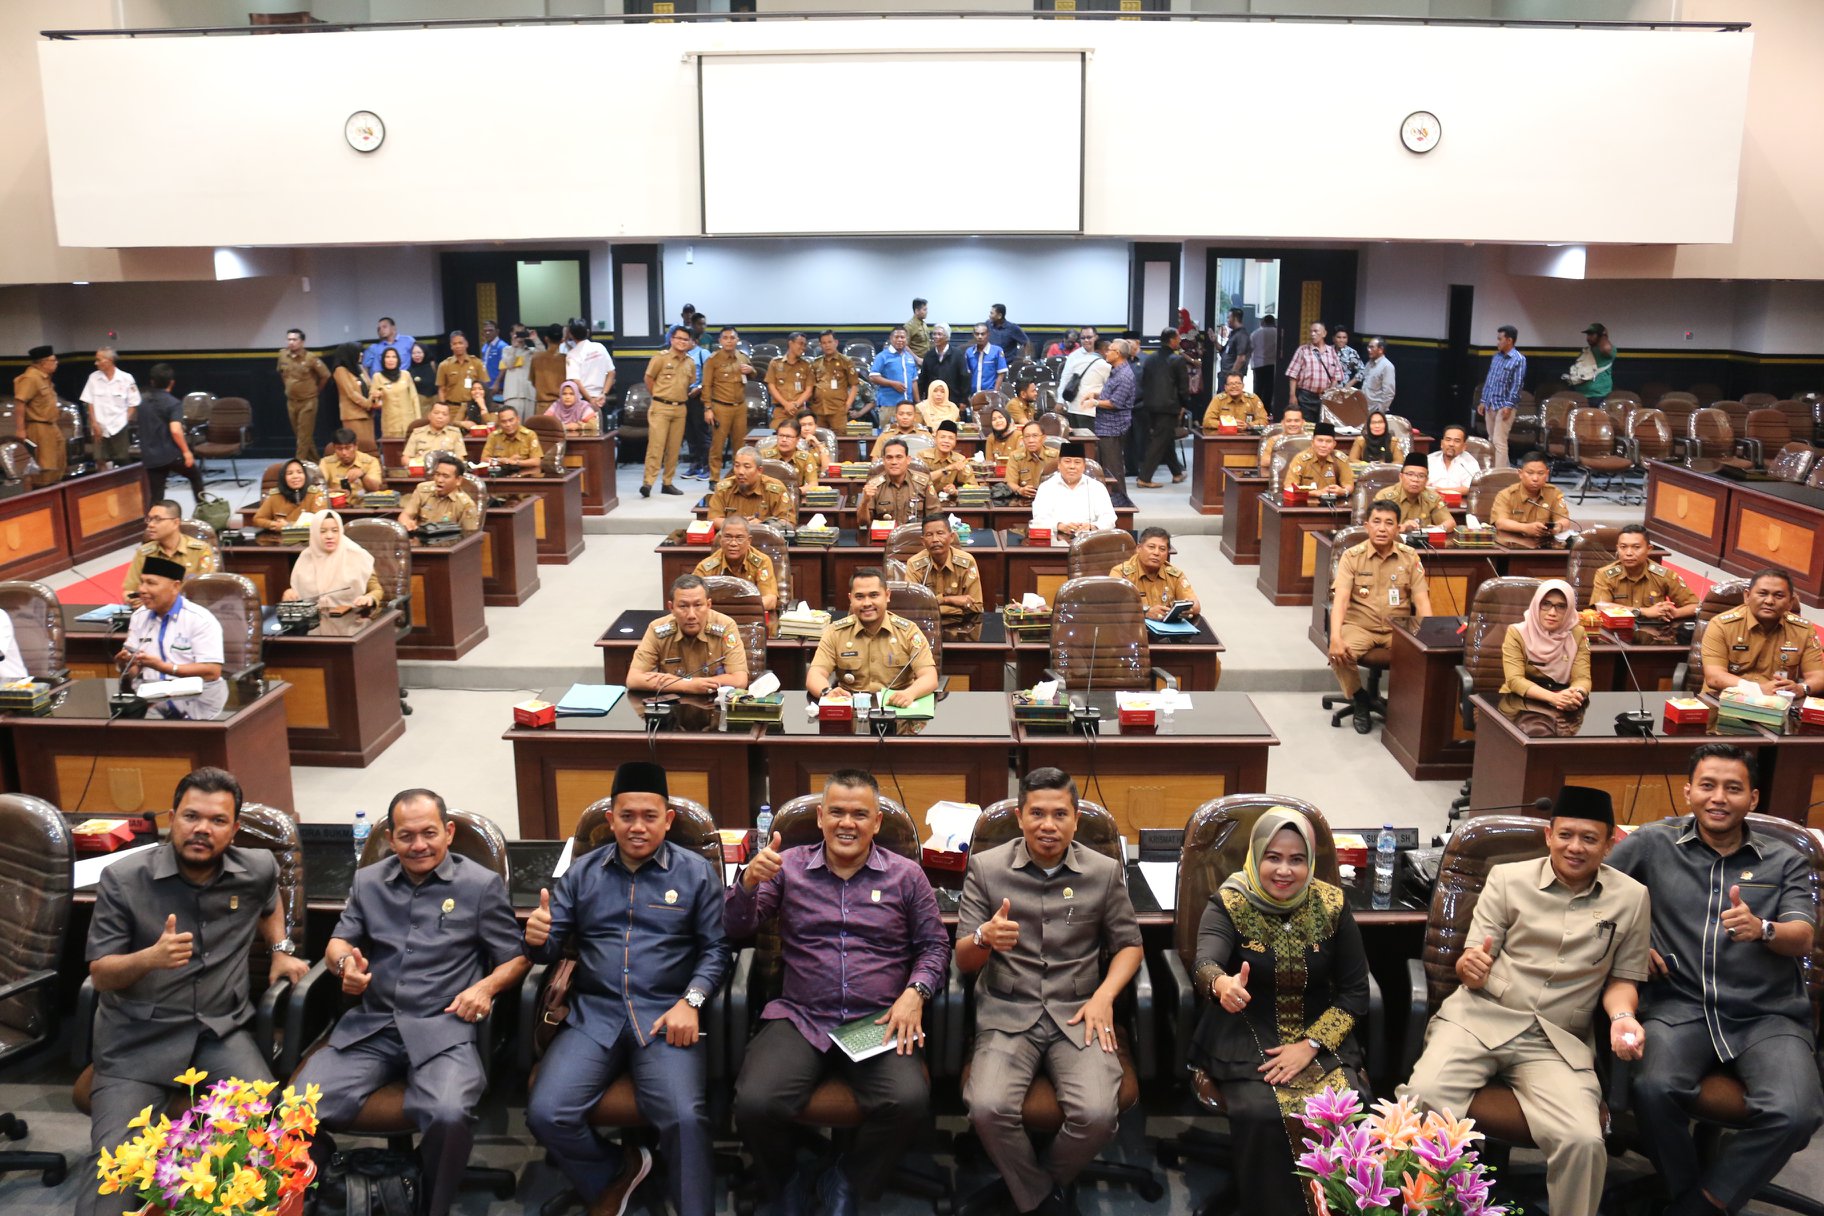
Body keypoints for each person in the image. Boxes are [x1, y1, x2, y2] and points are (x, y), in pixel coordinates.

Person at [1403, 785, 1650, 1216]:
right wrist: (1470, 968)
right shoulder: (1507, 879)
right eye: (1566, 835)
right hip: (1480, 1017)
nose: (1576, 847)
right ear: (1548, 836)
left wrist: (1623, 1017)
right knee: (1421, 1099)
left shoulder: (1631, 898)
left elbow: (1624, 978)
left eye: (1590, 838)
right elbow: (1471, 960)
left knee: (1583, 1141)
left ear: (1609, 844)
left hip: (1557, 1039)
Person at [77, 767, 305, 1216]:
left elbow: (270, 899)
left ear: (234, 830)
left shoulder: (257, 867)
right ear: (171, 818)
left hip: (220, 1032)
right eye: (191, 816)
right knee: (116, 1176)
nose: (202, 828)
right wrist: (151, 957)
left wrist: (279, 947)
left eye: (218, 821)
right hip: (138, 1041)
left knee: (264, 1147)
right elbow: (100, 974)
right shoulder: (124, 879)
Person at [1608, 744, 1824, 1216]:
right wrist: (1632, 941)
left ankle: (1701, 1205)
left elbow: (1802, 937)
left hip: (1766, 1014)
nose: (1718, 797)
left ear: (1754, 797)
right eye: (1707, 785)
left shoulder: (1786, 860)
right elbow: (1593, 893)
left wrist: (1762, 929)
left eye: (1733, 788)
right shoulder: (1652, 843)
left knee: (1798, 1113)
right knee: (1652, 1088)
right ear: (1689, 792)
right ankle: (1690, 1194)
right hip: (1678, 1004)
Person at [728, 768, 948, 1216]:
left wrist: (915, 993)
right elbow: (736, 928)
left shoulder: (906, 876)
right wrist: (748, 883)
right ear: (821, 818)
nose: (847, 823)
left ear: (877, 824)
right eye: (837, 813)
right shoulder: (786, 867)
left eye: (860, 814)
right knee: (754, 1103)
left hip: (877, 1017)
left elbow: (934, 946)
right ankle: (786, 1179)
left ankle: (846, 1178)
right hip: (802, 1015)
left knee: (907, 1101)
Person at [299, 788, 528, 1216]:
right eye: (406, 835)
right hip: (375, 1025)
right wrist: (345, 964)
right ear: (389, 836)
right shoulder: (369, 881)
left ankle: (428, 1202)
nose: (418, 845)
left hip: (443, 1028)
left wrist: (485, 988)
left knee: (448, 1113)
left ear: (449, 832)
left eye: (429, 833)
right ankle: (343, 1184)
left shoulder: (480, 885)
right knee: (295, 1109)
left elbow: (514, 959)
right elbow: (339, 941)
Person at [525, 761, 730, 1216]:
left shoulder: (696, 873)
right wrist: (537, 938)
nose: (638, 827)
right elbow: (549, 949)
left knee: (684, 1118)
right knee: (545, 1113)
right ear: (610, 819)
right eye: (627, 816)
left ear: (668, 819)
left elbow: (717, 951)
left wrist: (691, 1001)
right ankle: (619, 1171)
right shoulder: (582, 873)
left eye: (649, 816)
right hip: (592, 1016)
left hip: (665, 1014)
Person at [957, 768, 1142, 1216]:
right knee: (986, 1107)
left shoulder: (1103, 872)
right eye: (1036, 813)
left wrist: (1105, 997)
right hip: (1007, 1011)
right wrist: (985, 938)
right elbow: (963, 961)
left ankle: (1032, 1189)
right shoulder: (986, 867)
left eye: (1060, 814)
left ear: (1076, 820)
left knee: (1097, 1115)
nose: (1048, 824)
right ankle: (1045, 1200)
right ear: (1020, 817)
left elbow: (1130, 947)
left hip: (1079, 1012)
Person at [1190, 807, 1371, 1216]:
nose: (1284, 870)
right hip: (1246, 1029)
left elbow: (1356, 991)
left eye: (1297, 859)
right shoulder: (1230, 902)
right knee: (1261, 1113)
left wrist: (1310, 1045)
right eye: (1273, 857)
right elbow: (1205, 962)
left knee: (1346, 1107)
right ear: (1256, 858)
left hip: (1318, 1031)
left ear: (1311, 861)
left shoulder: (1331, 904)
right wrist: (1223, 985)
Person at [1327, 500, 1432, 730]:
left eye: (1388, 523)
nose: (1382, 528)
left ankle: (1407, 708)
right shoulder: (1352, 556)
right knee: (1340, 651)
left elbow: (1422, 600)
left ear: (1397, 528)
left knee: (1423, 655)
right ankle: (1360, 697)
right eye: (1376, 522)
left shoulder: (1410, 556)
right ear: (1367, 526)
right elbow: (1341, 600)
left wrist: (1428, 634)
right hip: (1360, 626)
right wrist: (1335, 636)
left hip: (1398, 628)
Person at [807, 568, 938, 705]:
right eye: (859, 597)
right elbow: (815, 674)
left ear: (887, 595)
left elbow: (929, 676)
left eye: (874, 595)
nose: (867, 603)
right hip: (852, 707)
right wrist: (827, 692)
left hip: (897, 708)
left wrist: (910, 693)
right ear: (850, 599)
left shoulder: (908, 631)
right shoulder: (836, 632)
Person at [1699, 566, 1824, 696]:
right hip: (1724, 700)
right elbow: (1714, 676)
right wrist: (1757, 690)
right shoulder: (1721, 625)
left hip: (1777, 705)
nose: (1769, 601)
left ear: (1790, 602)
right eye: (1762, 594)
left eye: (1779, 595)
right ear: (1747, 596)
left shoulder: (1803, 630)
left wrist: (1802, 688)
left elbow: (1819, 677)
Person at [627, 574, 749, 695]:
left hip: (713, 705)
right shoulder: (657, 628)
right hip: (673, 706)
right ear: (671, 607)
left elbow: (739, 680)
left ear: (708, 605)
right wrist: (687, 685)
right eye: (683, 606)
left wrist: (678, 682)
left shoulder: (725, 626)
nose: (691, 615)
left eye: (697, 605)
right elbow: (633, 679)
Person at [117, 555, 224, 690]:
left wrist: (163, 667)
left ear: (175, 586)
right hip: (149, 695)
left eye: (151, 583)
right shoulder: (139, 616)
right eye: (141, 582)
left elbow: (212, 672)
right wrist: (125, 665)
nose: (142, 590)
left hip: (194, 697)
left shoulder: (200, 619)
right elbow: (134, 670)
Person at [1502, 579, 1592, 712]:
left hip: (1563, 701)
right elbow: (1515, 680)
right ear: (1536, 605)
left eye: (1561, 606)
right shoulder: (1517, 632)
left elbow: (1582, 679)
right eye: (1546, 604)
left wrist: (1576, 694)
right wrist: (1553, 698)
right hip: (1519, 701)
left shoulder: (1577, 633)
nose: (1552, 613)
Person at [1592, 525, 1697, 621]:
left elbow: (1695, 606)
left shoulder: (1664, 575)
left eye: (1636, 547)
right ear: (1617, 548)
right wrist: (1643, 612)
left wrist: (1676, 613)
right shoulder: (1605, 574)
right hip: (1616, 630)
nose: (1628, 553)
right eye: (1623, 547)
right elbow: (1601, 607)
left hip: (1654, 634)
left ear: (1649, 549)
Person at [285, 510, 380, 612]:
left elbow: (377, 590)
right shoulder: (305, 557)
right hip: (313, 620)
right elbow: (297, 595)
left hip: (351, 620)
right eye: (322, 531)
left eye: (335, 530)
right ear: (314, 533)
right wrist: (290, 594)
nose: (329, 536)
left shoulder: (357, 555)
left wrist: (369, 597)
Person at [122, 500, 218, 600]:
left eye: (157, 519)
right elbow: (129, 591)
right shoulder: (144, 553)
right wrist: (134, 600)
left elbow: (207, 590)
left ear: (176, 523)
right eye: (149, 519)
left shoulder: (200, 550)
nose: (150, 524)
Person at [641, 326, 696, 498]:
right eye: (679, 338)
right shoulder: (660, 358)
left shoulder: (690, 362)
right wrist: (658, 396)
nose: (682, 342)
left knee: (674, 448)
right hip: (661, 407)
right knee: (656, 446)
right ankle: (648, 483)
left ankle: (667, 482)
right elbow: (648, 379)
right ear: (671, 339)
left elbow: (691, 382)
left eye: (685, 339)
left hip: (680, 408)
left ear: (690, 343)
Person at [1081, 338, 1136, 506]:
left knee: (1114, 468)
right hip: (1105, 426)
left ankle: (1121, 503)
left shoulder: (1125, 376)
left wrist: (1095, 403)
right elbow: (1109, 394)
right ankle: (1108, 501)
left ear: (1118, 353)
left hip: (1113, 427)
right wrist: (1096, 395)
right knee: (1106, 466)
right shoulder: (1116, 371)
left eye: (1110, 350)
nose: (1106, 352)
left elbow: (1116, 403)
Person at [1137, 328, 1192, 488]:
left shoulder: (1149, 359)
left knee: (1165, 439)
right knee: (1159, 441)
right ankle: (1144, 478)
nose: (1179, 341)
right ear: (1172, 340)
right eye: (1178, 338)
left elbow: (1143, 382)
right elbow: (1183, 387)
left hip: (1149, 405)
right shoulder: (1177, 360)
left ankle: (1177, 473)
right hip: (1168, 407)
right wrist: (1184, 405)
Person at [693, 514, 778, 612]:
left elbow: (770, 601)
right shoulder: (706, 567)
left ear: (749, 540)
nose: (733, 543)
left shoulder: (762, 562)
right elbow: (693, 598)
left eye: (739, 538)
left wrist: (738, 609)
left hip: (750, 617)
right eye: (728, 537)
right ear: (720, 539)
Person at [1110, 526, 1200, 618]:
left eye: (1162, 549)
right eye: (1151, 547)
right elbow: (1112, 606)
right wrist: (1145, 612)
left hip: (1167, 628)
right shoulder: (1120, 573)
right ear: (1139, 548)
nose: (1156, 553)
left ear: (1167, 553)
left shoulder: (1175, 575)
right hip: (1133, 628)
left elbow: (1196, 605)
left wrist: (1186, 609)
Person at [1030, 441, 1115, 539]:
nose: (1072, 466)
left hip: (1090, 540)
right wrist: (1060, 526)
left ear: (1084, 466)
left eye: (1077, 462)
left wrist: (1093, 526)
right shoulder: (1046, 487)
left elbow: (1109, 517)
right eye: (1067, 461)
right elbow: (1039, 518)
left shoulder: (1097, 487)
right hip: (1056, 541)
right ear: (1059, 465)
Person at [904, 516, 983, 620]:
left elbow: (976, 607)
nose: (935, 539)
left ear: (951, 537)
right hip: (925, 624)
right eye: (929, 535)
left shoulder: (967, 562)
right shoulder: (914, 564)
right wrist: (947, 600)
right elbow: (912, 607)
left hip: (960, 626)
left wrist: (931, 606)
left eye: (940, 533)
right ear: (923, 541)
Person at [81, 346, 139, 470]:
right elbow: (89, 402)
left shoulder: (126, 378)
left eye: (99, 360)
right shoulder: (93, 378)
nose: (95, 363)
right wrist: (94, 424)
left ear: (110, 360)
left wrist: (124, 420)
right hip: (99, 427)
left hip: (119, 427)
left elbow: (133, 404)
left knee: (123, 459)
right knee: (100, 459)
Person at [14, 344, 64, 488]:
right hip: (39, 427)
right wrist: (20, 429)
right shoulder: (31, 378)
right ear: (43, 363)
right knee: (44, 466)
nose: (56, 363)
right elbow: (20, 403)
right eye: (53, 360)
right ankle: (41, 496)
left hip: (51, 426)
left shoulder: (45, 378)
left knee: (57, 463)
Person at [1491, 451, 1572, 539]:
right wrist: (1525, 528)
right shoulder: (1506, 495)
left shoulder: (1554, 493)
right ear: (1520, 473)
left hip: (1544, 545)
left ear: (1547, 474)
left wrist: (1557, 527)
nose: (1535, 478)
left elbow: (1565, 520)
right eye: (1530, 473)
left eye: (1540, 473)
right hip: (1514, 545)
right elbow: (1500, 523)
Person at [277, 328, 330, 462]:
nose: (291, 342)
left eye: (295, 340)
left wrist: (316, 391)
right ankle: (316, 463)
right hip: (291, 401)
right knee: (302, 435)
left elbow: (325, 375)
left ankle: (298, 464)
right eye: (289, 339)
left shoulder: (310, 358)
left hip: (308, 402)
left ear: (302, 342)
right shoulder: (282, 355)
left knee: (303, 436)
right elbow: (282, 374)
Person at [1479, 324, 1528, 468]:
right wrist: (1483, 400)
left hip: (1504, 406)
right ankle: (1500, 468)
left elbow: (1517, 385)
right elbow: (1489, 381)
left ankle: (1498, 475)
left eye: (1500, 339)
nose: (1497, 342)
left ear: (1509, 340)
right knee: (1492, 439)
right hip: (1490, 404)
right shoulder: (1496, 357)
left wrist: (1509, 405)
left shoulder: (1519, 359)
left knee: (1500, 441)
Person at [708, 447, 795, 524]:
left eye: (747, 467)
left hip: (766, 540)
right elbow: (713, 519)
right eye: (737, 466)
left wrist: (763, 525)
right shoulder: (724, 489)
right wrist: (740, 525)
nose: (740, 472)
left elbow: (787, 523)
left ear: (759, 470)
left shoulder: (775, 489)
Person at [859, 437, 932, 527]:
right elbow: (863, 523)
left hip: (915, 537)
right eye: (889, 458)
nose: (894, 462)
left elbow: (935, 517)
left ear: (908, 459)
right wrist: (865, 502)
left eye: (899, 457)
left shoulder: (923, 483)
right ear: (883, 461)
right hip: (884, 537)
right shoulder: (874, 485)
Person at [399, 459, 481, 533]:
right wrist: (407, 523)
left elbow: (469, 537)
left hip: (448, 546)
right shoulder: (422, 490)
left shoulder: (466, 505)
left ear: (458, 480)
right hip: (421, 542)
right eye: (437, 474)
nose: (439, 480)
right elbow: (406, 515)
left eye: (445, 476)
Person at [1373, 453, 1451, 527]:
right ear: (1401, 477)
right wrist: (1402, 528)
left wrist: (1436, 529)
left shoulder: (1433, 498)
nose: (1415, 479)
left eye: (1421, 476)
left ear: (1426, 480)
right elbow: (1376, 525)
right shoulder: (1384, 497)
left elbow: (1450, 523)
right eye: (1410, 474)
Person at [252, 458, 327, 531]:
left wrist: (289, 525)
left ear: (305, 475)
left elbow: (320, 520)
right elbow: (258, 519)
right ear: (283, 477)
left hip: (308, 539)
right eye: (290, 473)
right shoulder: (275, 496)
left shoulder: (315, 494)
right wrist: (274, 524)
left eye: (299, 472)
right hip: (282, 540)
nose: (295, 476)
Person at [1284, 322, 1341, 415]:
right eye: (1311, 331)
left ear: (1324, 333)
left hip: (1325, 397)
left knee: (1322, 427)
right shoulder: (1303, 350)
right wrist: (1292, 395)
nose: (1312, 334)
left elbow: (1337, 376)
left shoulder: (1331, 352)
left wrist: (1329, 393)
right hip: (1305, 396)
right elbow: (1293, 374)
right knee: (1307, 426)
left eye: (1315, 331)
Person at [810, 330, 859, 441]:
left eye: (829, 342)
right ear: (820, 345)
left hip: (838, 410)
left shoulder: (846, 361)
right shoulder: (816, 363)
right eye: (824, 343)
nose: (827, 345)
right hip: (819, 409)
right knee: (820, 441)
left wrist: (847, 405)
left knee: (840, 441)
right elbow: (811, 386)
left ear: (836, 342)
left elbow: (854, 385)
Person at [1283, 421, 1353, 498]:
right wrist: (1316, 493)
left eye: (1328, 441)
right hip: (1304, 504)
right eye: (1320, 441)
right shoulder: (1300, 459)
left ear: (1334, 444)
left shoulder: (1340, 459)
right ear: (1312, 443)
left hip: (1331, 503)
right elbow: (1289, 488)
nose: (1324, 445)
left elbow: (1349, 485)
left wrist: (1343, 491)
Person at [367, 345, 422, 440]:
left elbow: (414, 398)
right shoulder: (377, 377)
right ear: (383, 360)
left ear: (398, 359)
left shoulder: (406, 375)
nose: (391, 360)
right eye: (387, 357)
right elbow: (372, 402)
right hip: (390, 424)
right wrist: (375, 397)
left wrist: (418, 420)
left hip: (409, 421)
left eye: (394, 357)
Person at [868, 326, 922, 423]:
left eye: (902, 337)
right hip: (889, 405)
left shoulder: (909, 357)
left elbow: (914, 381)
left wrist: (917, 403)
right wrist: (893, 384)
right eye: (897, 337)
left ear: (907, 339)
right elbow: (873, 377)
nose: (900, 340)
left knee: (907, 437)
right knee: (888, 436)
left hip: (907, 406)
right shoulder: (882, 356)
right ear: (891, 338)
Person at [330, 341, 375, 453]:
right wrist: (368, 403)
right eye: (358, 352)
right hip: (353, 416)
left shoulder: (359, 367)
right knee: (358, 448)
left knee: (370, 447)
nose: (361, 355)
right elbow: (351, 393)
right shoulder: (340, 370)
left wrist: (374, 396)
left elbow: (370, 384)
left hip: (368, 413)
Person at [765, 332, 814, 428]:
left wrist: (795, 405)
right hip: (780, 411)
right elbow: (771, 387)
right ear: (790, 343)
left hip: (800, 411)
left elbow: (809, 390)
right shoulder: (775, 363)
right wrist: (786, 404)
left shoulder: (806, 365)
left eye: (805, 345)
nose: (803, 347)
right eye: (800, 343)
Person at [401, 400, 469, 469]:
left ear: (449, 418)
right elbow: (405, 458)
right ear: (429, 415)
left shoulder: (455, 433)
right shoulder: (417, 433)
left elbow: (460, 458)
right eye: (436, 413)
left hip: (445, 473)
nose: (440, 417)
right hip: (422, 472)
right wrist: (415, 465)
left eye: (444, 414)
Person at [566, 322, 616, 409]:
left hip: (582, 400)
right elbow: (611, 373)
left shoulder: (572, 355)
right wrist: (604, 394)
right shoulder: (600, 347)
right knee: (602, 422)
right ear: (588, 332)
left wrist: (590, 400)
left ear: (571, 335)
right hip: (601, 400)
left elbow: (576, 381)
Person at [761, 418, 821, 489]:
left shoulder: (806, 458)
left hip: (795, 496)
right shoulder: (764, 456)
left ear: (798, 439)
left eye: (788, 437)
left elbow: (813, 485)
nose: (784, 440)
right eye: (781, 436)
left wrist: (794, 492)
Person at [320, 428, 383, 495]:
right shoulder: (326, 463)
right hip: (336, 503)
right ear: (334, 447)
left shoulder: (370, 461)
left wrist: (363, 476)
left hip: (363, 504)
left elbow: (375, 488)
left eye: (348, 448)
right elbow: (317, 488)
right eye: (339, 449)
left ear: (356, 446)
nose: (344, 453)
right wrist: (335, 491)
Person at [920, 323, 970, 407]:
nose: (936, 337)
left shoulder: (957, 354)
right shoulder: (929, 355)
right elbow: (923, 378)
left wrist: (963, 400)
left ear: (947, 337)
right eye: (934, 334)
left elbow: (964, 378)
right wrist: (920, 399)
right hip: (932, 402)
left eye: (939, 334)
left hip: (953, 401)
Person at [480, 405, 542, 472]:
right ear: (499, 423)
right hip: (500, 475)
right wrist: (503, 461)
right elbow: (484, 459)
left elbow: (536, 461)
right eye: (503, 421)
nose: (508, 424)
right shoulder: (494, 436)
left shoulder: (529, 435)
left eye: (511, 420)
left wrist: (516, 463)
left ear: (518, 419)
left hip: (525, 475)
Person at [1564, 322, 1615, 404]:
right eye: (1588, 335)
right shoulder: (1586, 351)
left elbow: (1606, 348)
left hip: (1598, 396)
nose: (1588, 338)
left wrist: (1604, 336)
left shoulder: (1608, 350)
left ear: (1600, 336)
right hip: (1580, 395)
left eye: (1592, 335)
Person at [1057, 327, 1101, 421]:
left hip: (1098, 407)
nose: (1086, 340)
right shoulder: (1074, 356)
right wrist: (1060, 401)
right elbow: (1065, 379)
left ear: (1096, 337)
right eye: (1083, 338)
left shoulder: (1103, 354)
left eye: (1089, 337)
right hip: (1077, 407)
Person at [925, 419, 975, 497]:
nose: (946, 441)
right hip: (925, 500)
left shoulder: (960, 460)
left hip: (949, 503)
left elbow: (973, 488)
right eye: (942, 437)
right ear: (935, 439)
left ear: (955, 441)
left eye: (951, 438)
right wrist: (948, 469)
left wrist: (955, 491)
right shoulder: (923, 456)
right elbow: (919, 481)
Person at [495, 324, 537, 416]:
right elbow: (509, 364)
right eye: (517, 333)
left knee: (528, 426)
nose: (519, 335)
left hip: (529, 394)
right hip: (513, 395)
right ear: (511, 334)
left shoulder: (532, 351)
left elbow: (543, 356)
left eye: (522, 332)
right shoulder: (507, 350)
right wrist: (514, 347)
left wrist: (535, 339)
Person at [1203, 372, 1269, 430]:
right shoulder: (1218, 400)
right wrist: (1228, 424)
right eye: (1231, 384)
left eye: (1238, 383)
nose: (1234, 386)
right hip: (1224, 438)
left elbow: (1264, 421)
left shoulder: (1253, 399)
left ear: (1243, 386)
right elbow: (1207, 421)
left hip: (1247, 438)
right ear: (1225, 387)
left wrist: (1248, 425)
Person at [1257, 405, 1308, 476]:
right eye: (1289, 421)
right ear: (1283, 423)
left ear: (1303, 422)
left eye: (1296, 421)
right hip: (1279, 478)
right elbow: (1264, 461)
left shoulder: (1309, 440)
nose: (1293, 424)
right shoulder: (1274, 440)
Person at [1427, 423, 1480, 490]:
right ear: (1442, 443)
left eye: (1457, 441)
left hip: (1459, 499)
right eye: (1448, 440)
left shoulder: (1471, 463)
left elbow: (1470, 488)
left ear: (1464, 446)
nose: (1451, 444)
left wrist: (1440, 490)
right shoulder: (1429, 459)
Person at [1007, 422, 1051, 500]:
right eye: (1027, 436)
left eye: (1035, 436)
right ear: (1023, 439)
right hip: (1025, 500)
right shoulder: (1015, 456)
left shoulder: (1056, 456)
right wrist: (1020, 490)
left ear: (1044, 438)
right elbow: (1011, 482)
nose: (1031, 440)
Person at [966, 323, 1010, 401]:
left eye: (983, 334)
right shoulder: (969, 352)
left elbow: (1001, 374)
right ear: (973, 335)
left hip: (990, 395)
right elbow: (967, 375)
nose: (980, 337)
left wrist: (995, 393)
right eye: (977, 334)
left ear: (988, 334)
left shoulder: (997, 351)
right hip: (973, 394)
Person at [531, 325, 568, 407]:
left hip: (542, 406)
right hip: (562, 407)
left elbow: (533, 381)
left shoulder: (536, 358)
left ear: (546, 339)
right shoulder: (566, 359)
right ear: (562, 340)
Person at [1249, 315, 1280, 413]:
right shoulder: (1277, 333)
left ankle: (1256, 409)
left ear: (1263, 322)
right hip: (1272, 364)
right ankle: (1266, 409)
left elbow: (1250, 349)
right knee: (1269, 388)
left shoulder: (1255, 333)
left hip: (1258, 364)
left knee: (1258, 387)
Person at [1216, 308, 1250, 388]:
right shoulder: (1233, 334)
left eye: (1228, 317)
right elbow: (1223, 352)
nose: (1227, 320)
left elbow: (1241, 359)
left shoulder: (1241, 335)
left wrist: (1231, 377)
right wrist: (1214, 341)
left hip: (1232, 377)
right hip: (1225, 374)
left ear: (1235, 318)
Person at [1361, 338, 1396, 414]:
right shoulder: (1369, 363)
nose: (1368, 350)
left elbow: (1389, 393)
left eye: (1372, 347)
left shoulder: (1387, 366)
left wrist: (1379, 411)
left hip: (1375, 411)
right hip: (1364, 408)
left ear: (1380, 349)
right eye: (1368, 347)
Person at [476, 319, 506, 390]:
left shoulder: (502, 346)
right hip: (487, 386)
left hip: (499, 387)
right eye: (485, 331)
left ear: (497, 331)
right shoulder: (485, 347)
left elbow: (505, 367)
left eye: (490, 330)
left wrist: (497, 383)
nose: (487, 333)